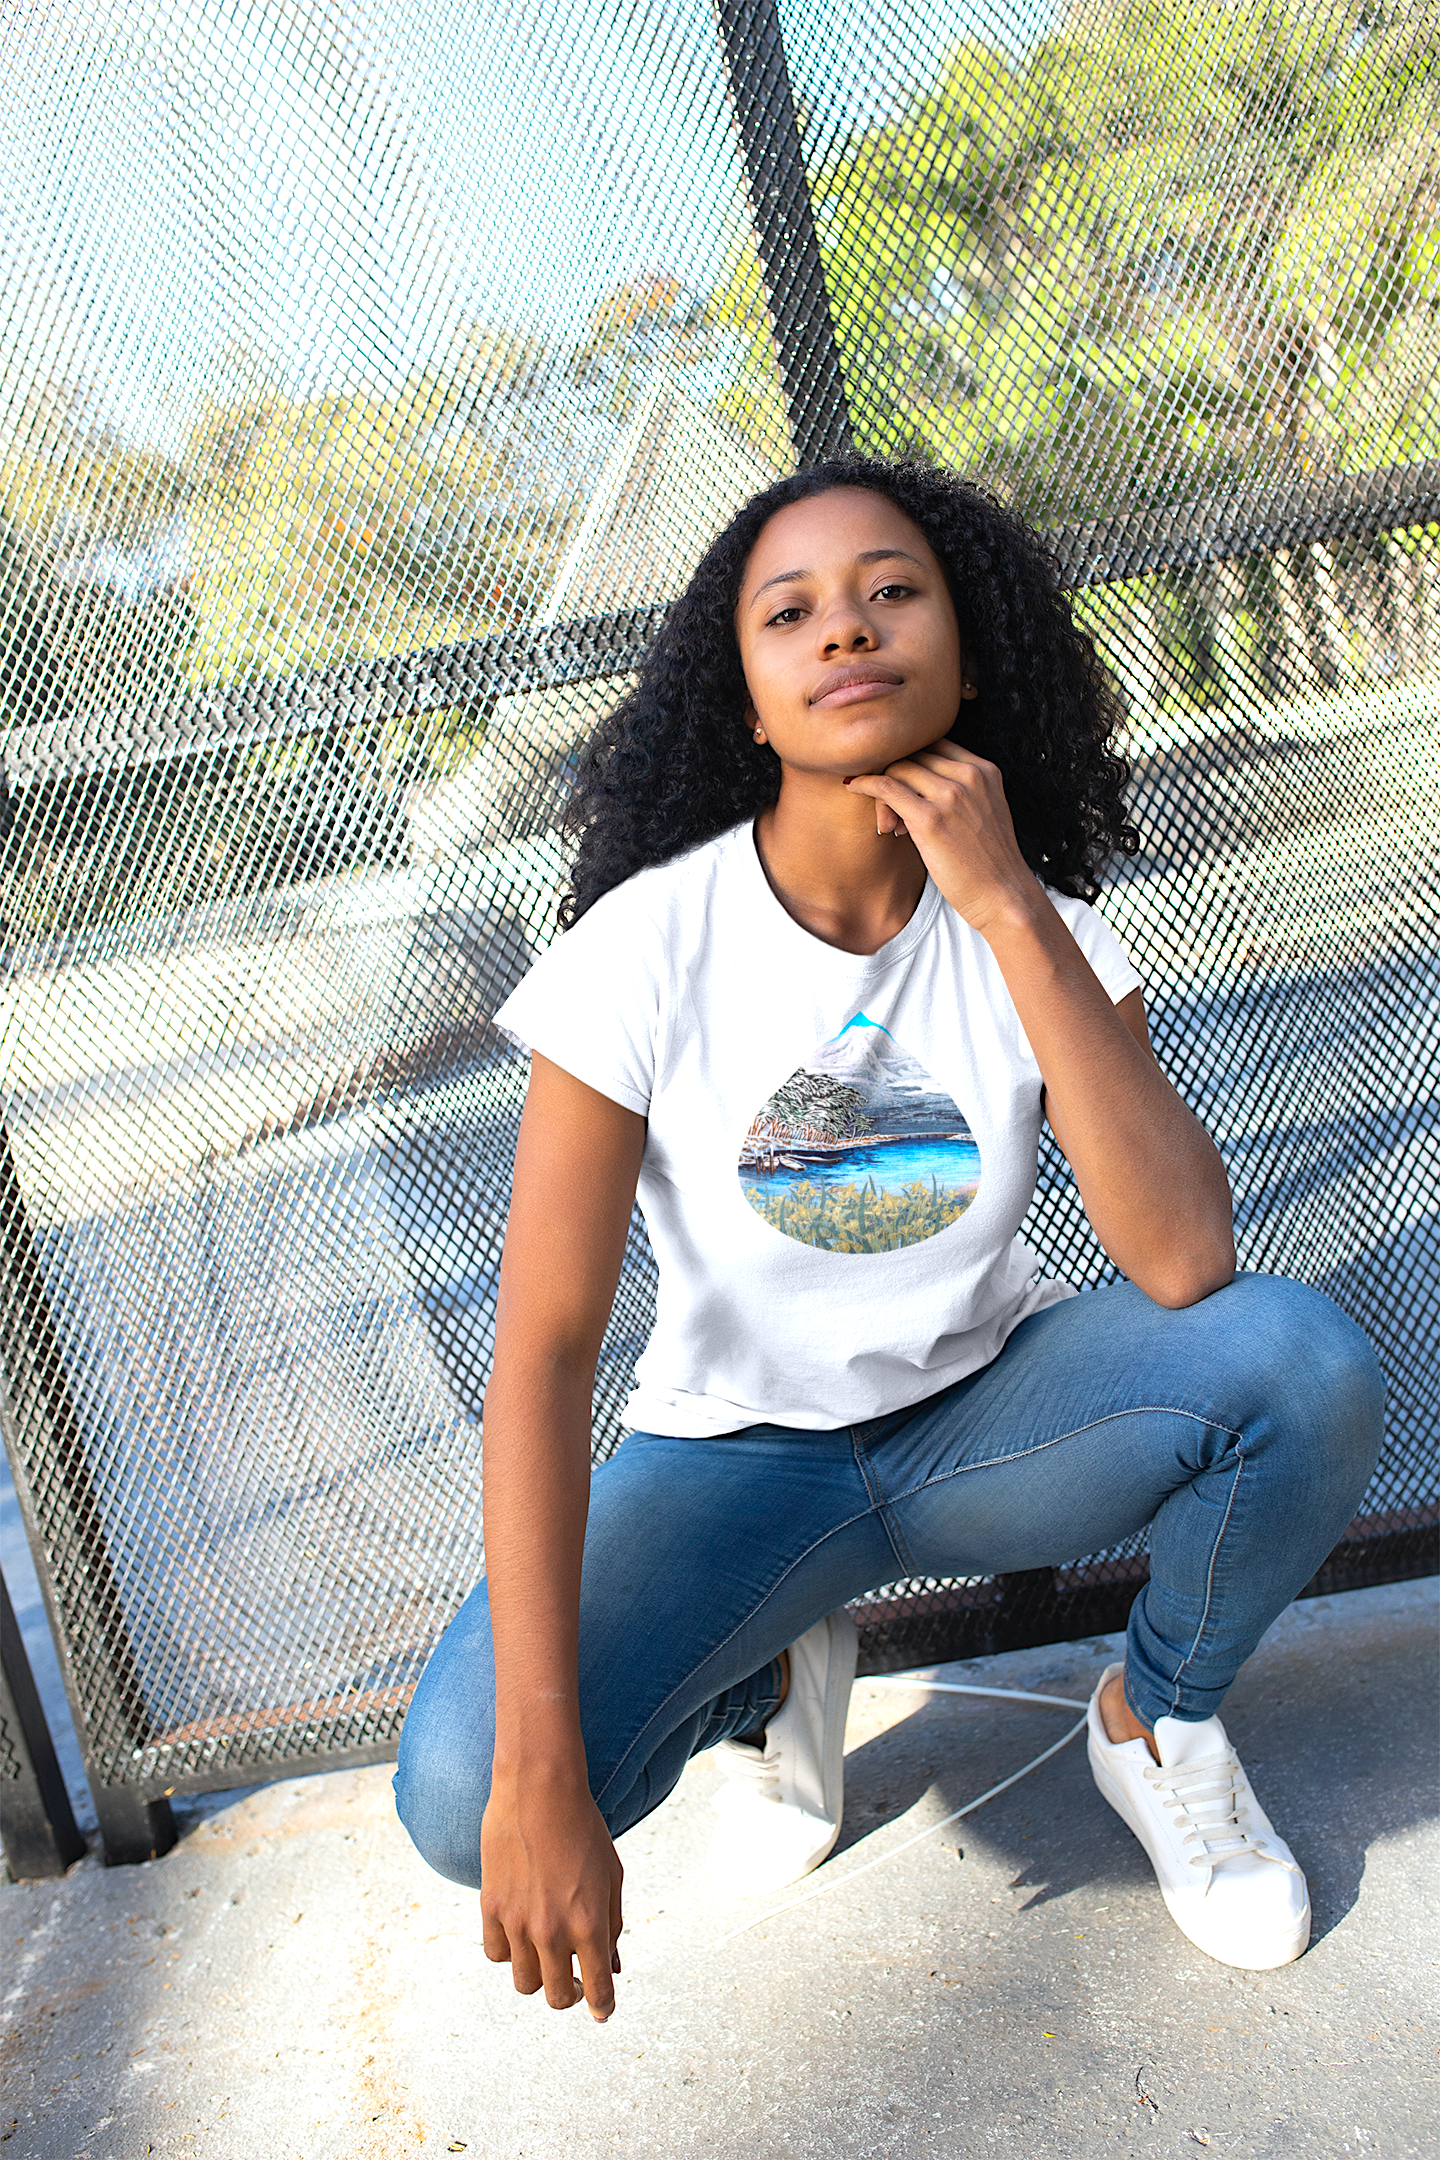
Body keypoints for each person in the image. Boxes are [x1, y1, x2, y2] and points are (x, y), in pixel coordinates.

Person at [393, 457, 1383, 2023]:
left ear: (967, 653)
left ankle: (1158, 1726)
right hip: (737, 1463)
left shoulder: (1037, 925)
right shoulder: (643, 948)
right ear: (749, 706)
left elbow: (1193, 1263)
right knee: (459, 1797)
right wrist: (535, 1772)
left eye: (891, 591)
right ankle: (772, 1674)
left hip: (984, 1426)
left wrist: (1004, 913)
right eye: (791, 613)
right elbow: (546, 1345)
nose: (845, 629)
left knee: (1304, 1364)